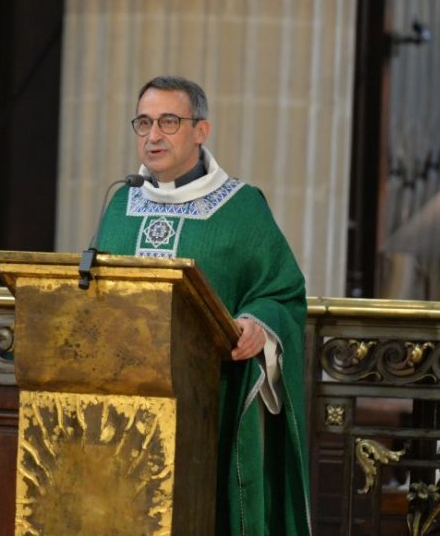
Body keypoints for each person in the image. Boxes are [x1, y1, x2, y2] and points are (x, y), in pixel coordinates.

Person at [95, 75, 310, 536]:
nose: (153, 136)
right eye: (144, 122)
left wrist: (257, 324)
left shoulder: (241, 207)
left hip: (212, 401)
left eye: (169, 122)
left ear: (201, 131)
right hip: (121, 406)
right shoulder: (121, 204)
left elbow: (283, 292)